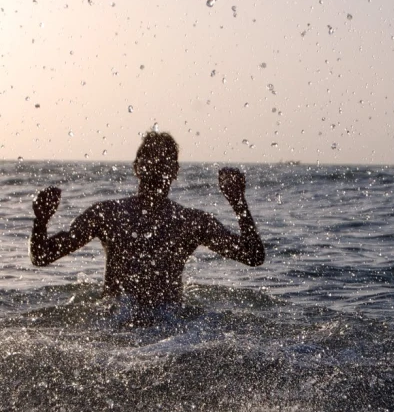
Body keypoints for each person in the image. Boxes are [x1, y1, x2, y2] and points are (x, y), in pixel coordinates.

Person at [30, 131, 265, 306]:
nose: (157, 165)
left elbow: (41, 256)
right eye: (153, 159)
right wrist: (238, 204)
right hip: (168, 325)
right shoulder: (188, 221)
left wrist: (41, 220)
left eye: (162, 161)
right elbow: (252, 256)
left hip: (117, 323)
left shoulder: (108, 214)